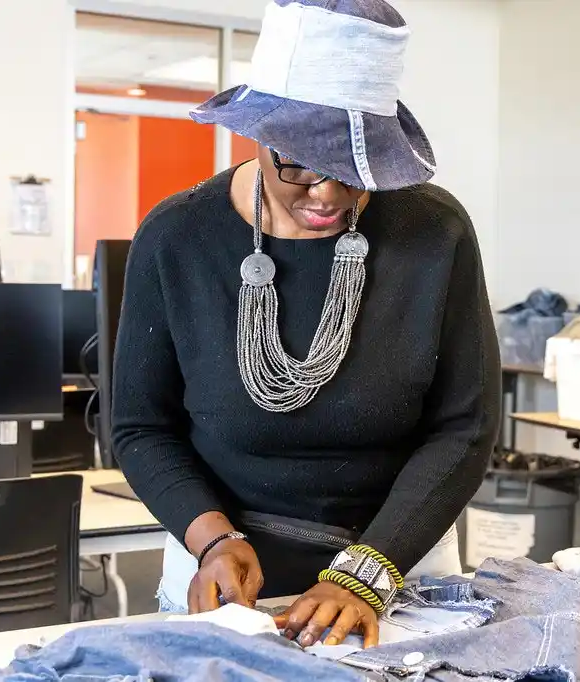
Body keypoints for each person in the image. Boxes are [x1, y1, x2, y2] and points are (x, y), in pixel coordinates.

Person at [111, 0, 500, 650]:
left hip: (398, 559)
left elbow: (464, 428)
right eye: (298, 163)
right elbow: (141, 427)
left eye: (353, 171)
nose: (326, 194)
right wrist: (213, 539)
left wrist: (368, 572)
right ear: (258, 134)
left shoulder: (435, 234)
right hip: (222, 567)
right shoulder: (176, 238)